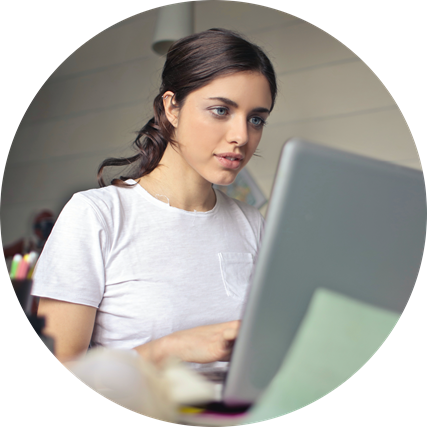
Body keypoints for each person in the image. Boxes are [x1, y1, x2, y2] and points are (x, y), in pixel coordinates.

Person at [32, 28, 277, 367]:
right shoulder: (96, 216)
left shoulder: (252, 224)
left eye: (256, 119)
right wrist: (167, 349)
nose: (241, 136)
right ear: (172, 107)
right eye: (221, 110)